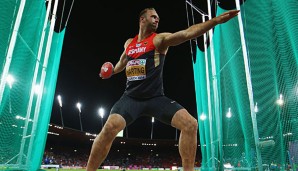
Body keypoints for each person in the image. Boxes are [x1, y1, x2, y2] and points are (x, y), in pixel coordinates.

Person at [87, 7, 239, 171]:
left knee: (190, 125)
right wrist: (111, 71)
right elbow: (121, 63)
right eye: (153, 17)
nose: (157, 19)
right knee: (109, 127)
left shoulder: (159, 40)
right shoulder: (129, 43)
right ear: (142, 19)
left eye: (158, 17)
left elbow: (187, 33)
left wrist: (215, 21)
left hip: (155, 99)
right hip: (131, 99)